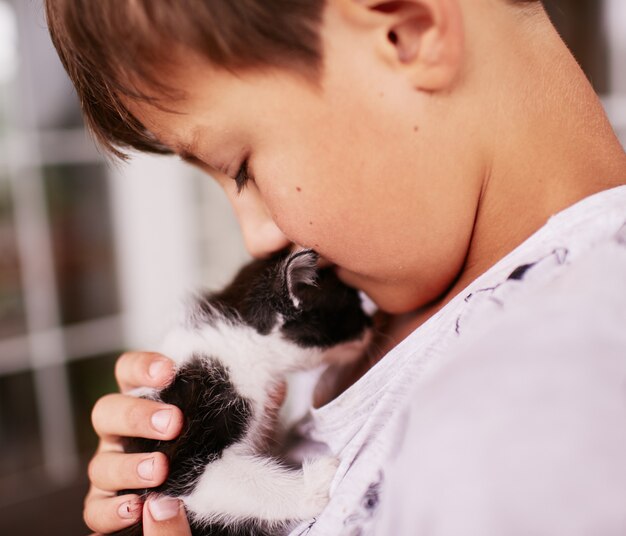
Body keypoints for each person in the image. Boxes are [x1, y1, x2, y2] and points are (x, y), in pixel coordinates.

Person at [45, 0, 626, 534]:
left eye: (241, 167)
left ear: (405, 33)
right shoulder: (358, 313)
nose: (256, 238)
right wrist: (188, 486)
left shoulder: (567, 386)